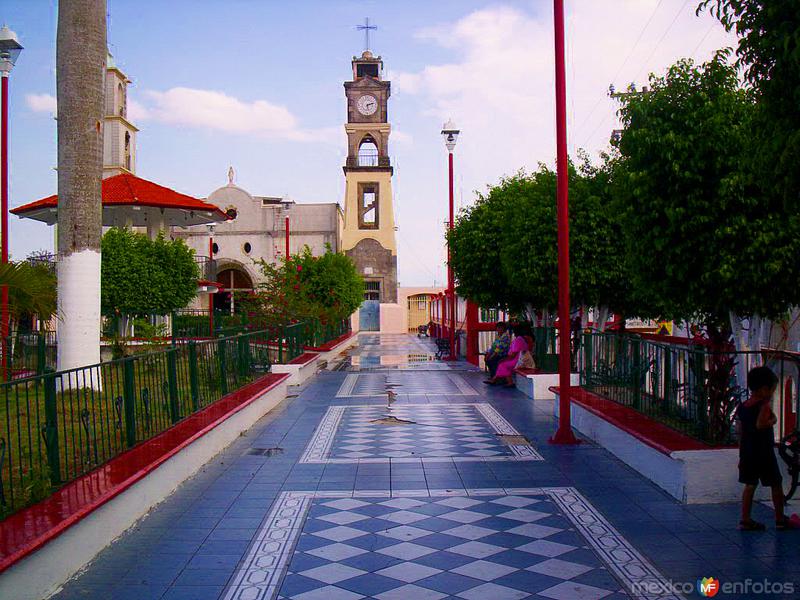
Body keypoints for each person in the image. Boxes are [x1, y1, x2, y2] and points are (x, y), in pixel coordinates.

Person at [737, 366, 796, 530]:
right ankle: (779, 519)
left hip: (748, 452)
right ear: (764, 389)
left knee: (750, 485)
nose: (772, 393)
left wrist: (741, 453)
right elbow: (760, 424)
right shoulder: (763, 406)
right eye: (772, 390)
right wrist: (774, 421)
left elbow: (740, 430)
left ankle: (745, 519)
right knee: (776, 483)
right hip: (763, 452)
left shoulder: (743, 407)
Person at [488, 323, 530, 388]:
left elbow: (513, 354)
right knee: (500, 363)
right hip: (518, 358)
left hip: (517, 360)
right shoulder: (522, 339)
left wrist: (504, 359)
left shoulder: (518, 340)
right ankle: (496, 379)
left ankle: (500, 380)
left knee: (502, 364)